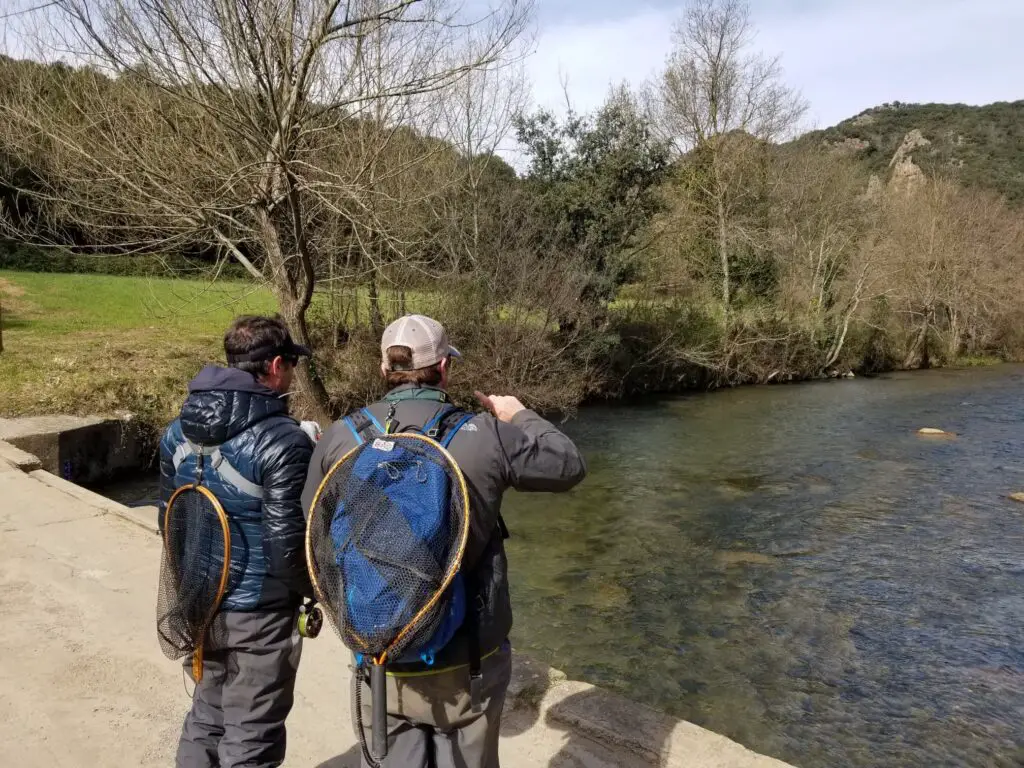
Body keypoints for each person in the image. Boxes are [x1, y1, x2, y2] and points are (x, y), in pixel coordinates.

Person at [301, 314, 587, 768]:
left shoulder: (341, 437)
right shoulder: (486, 435)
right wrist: (517, 414)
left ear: (383, 370)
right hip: (469, 659)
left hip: (380, 653)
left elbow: (314, 534)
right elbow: (568, 465)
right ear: (445, 369)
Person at [158, 314, 319, 768]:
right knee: (253, 731)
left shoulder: (177, 432)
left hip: (198, 600)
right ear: (272, 367)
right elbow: (287, 544)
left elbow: (167, 523)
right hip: (259, 614)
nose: (292, 373)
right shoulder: (284, 441)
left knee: (207, 715)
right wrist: (313, 591)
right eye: (290, 363)